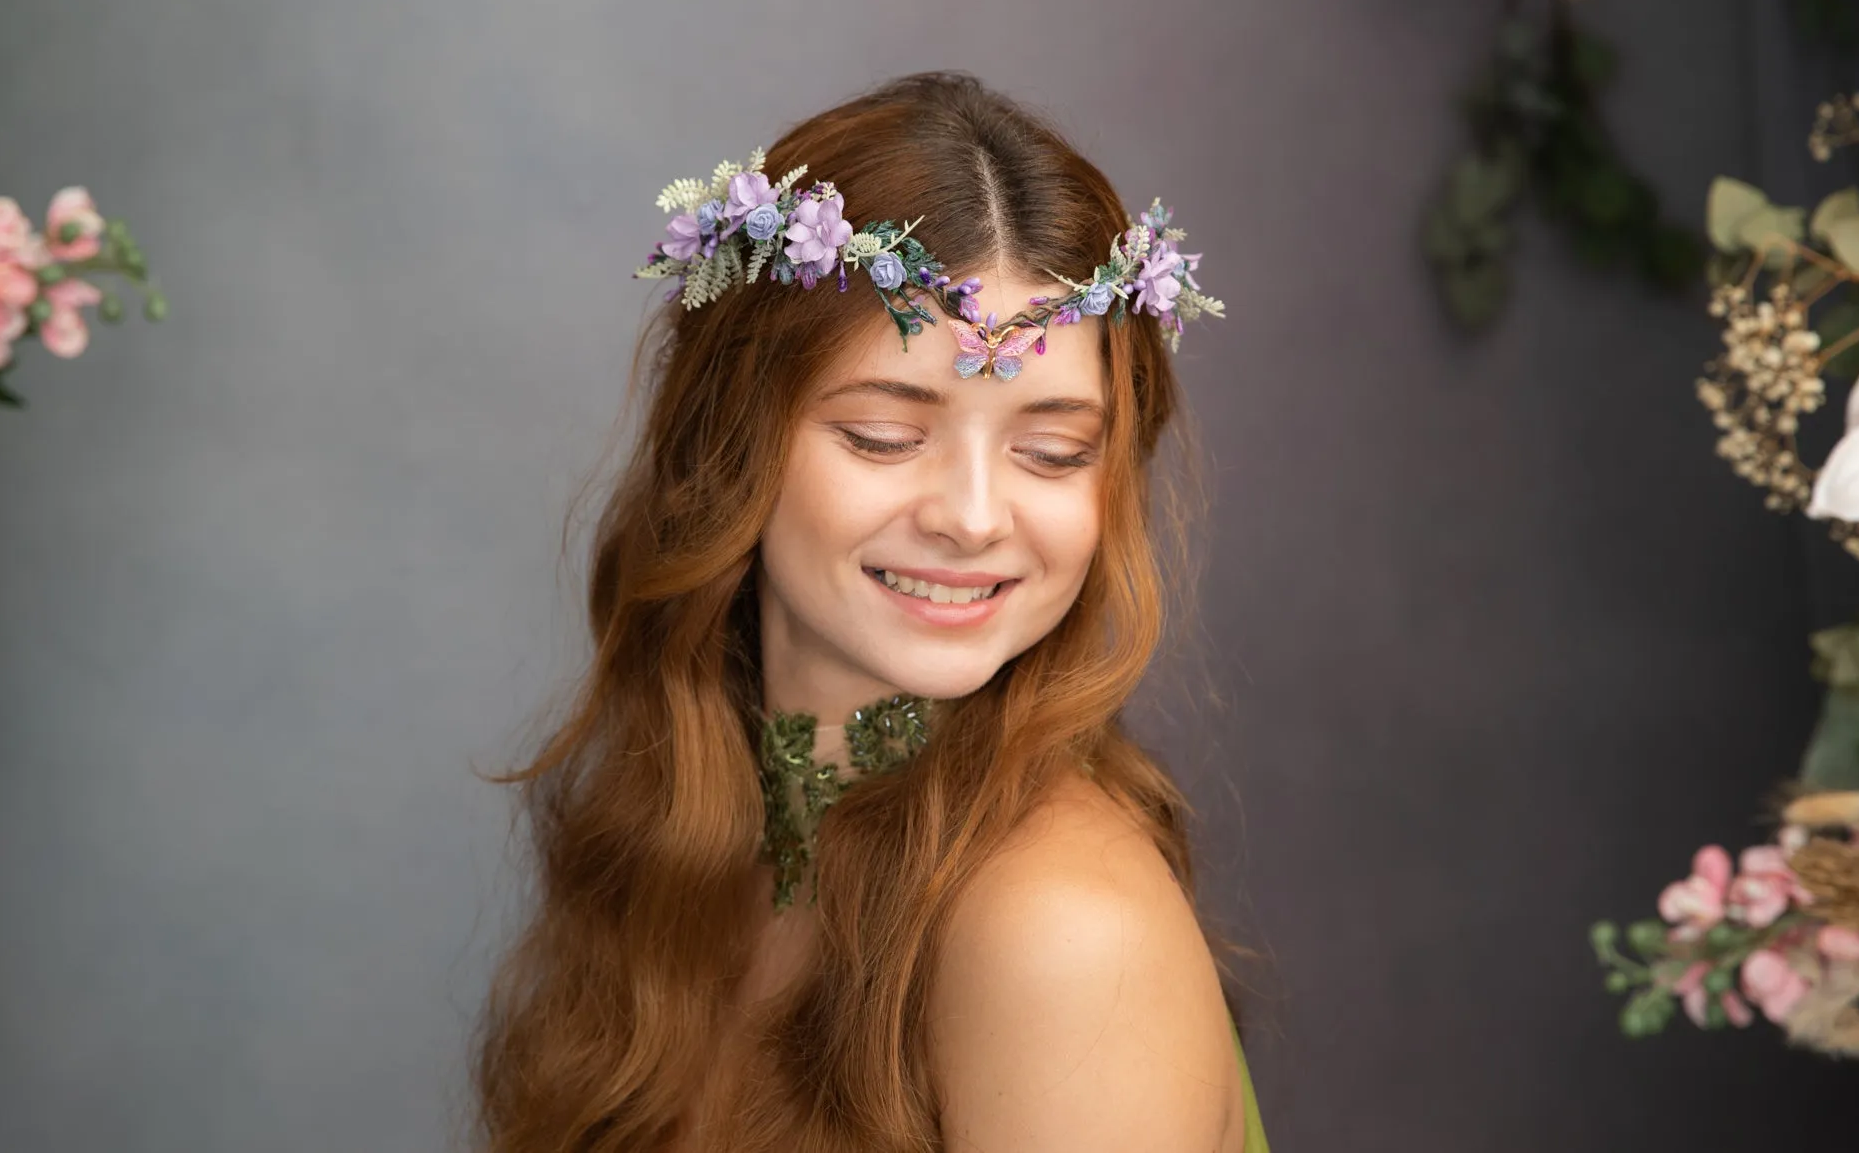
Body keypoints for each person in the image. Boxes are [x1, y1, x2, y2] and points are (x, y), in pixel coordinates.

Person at [471, 72, 1268, 1152]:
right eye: (885, 435)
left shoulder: (1059, 930)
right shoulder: (696, 824)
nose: (974, 518)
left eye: (1052, 451)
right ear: (729, 443)